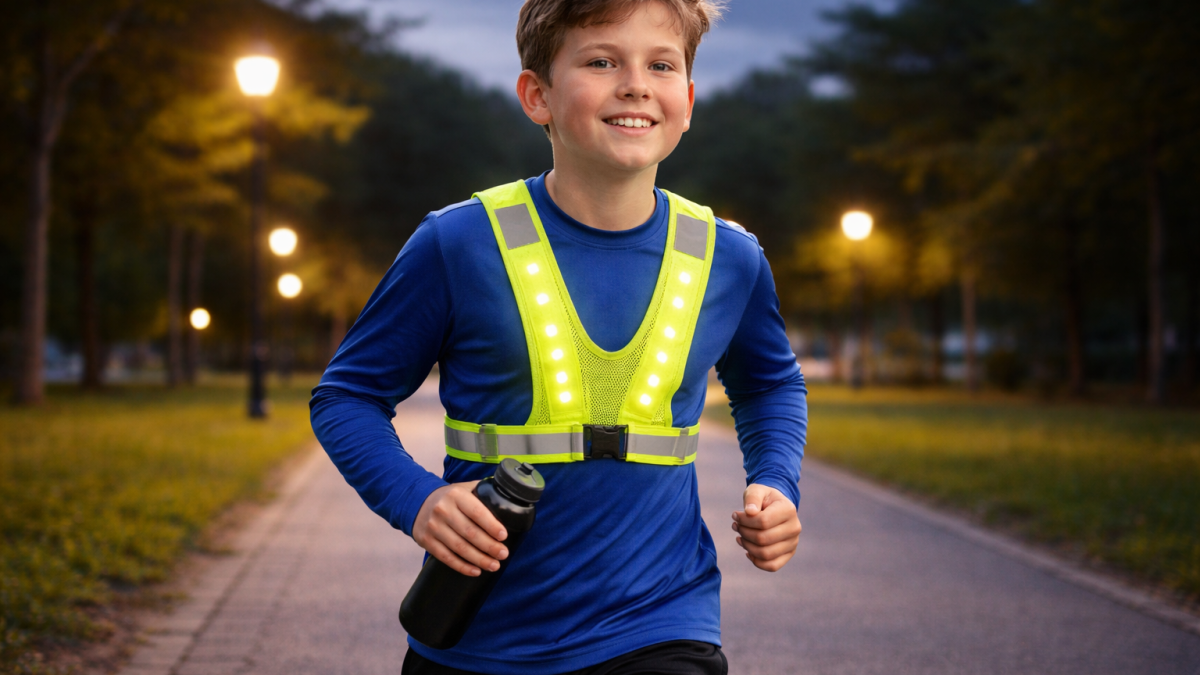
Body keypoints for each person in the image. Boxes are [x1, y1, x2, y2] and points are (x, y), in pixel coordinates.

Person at [310, 0, 808, 673]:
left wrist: (776, 482)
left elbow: (769, 383)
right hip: (477, 636)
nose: (635, 83)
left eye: (660, 65)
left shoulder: (732, 256)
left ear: (687, 101)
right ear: (536, 95)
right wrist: (417, 499)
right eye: (601, 61)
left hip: (661, 623)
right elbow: (346, 396)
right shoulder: (457, 242)